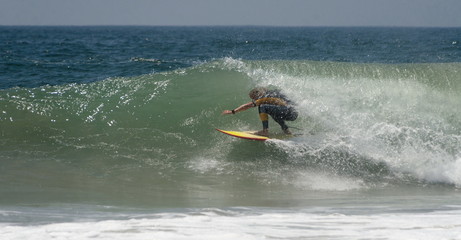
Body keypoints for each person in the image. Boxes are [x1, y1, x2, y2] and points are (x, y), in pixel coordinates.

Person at [222, 87, 298, 137]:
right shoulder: (272, 94)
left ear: (258, 94)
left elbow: (248, 106)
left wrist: (233, 111)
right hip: (293, 112)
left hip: (289, 112)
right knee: (272, 111)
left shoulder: (264, 97)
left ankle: (265, 131)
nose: (254, 100)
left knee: (262, 106)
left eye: (254, 98)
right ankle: (286, 130)